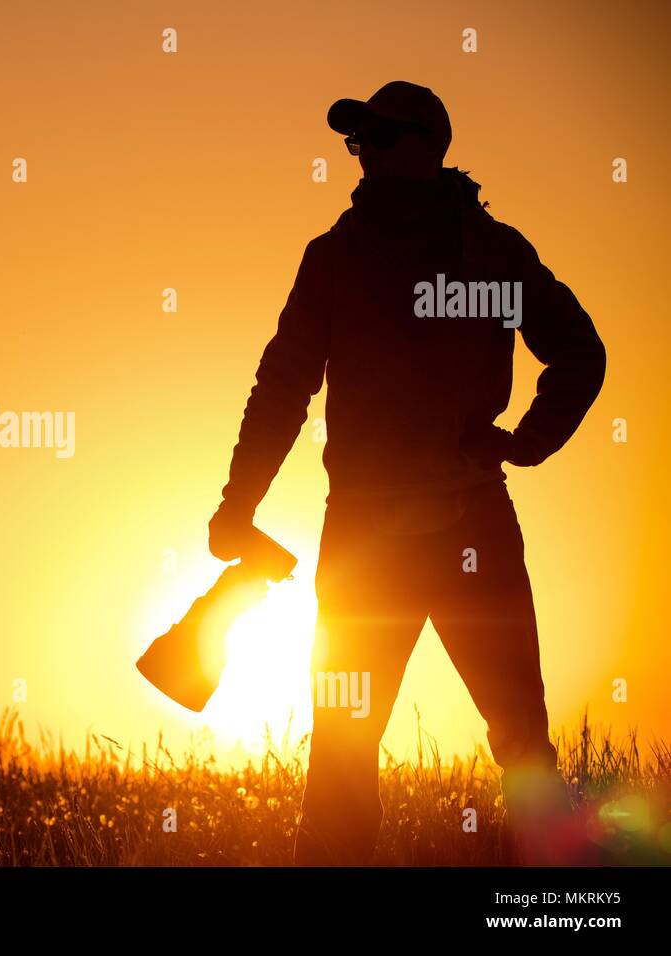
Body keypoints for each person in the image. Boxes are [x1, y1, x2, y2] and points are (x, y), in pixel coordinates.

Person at [207, 81, 606, 865]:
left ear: (427, 149)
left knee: (522, 744)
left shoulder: (491, 252)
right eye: (358, 143)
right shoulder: (336, 257)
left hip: (464, 531)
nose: (364, 155)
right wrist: (237, 502)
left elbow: (580, 354)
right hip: (372, 541)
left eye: (380, 139)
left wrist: (526, 442)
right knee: (344, 761)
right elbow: (282, 384)